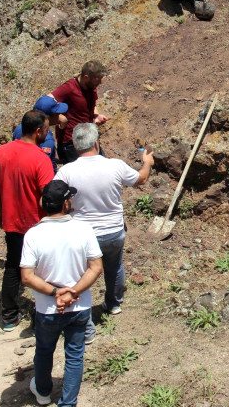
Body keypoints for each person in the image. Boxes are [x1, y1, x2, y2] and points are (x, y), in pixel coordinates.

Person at [54, 123, 154, 344]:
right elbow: (141, 179)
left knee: (81, 277)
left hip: (83, 234)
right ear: (97, 144)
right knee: (114, 266)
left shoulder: (67, 171)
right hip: (113, 231)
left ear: (74, 145)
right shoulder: (115, 166)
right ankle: (113, 303)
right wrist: (146, 163)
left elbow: (55, 197)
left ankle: (85, 323)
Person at [20, 180, 103, 406]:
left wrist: (56, 292)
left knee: (45, 351)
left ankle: (44, 392)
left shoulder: (33, 235)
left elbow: (26, 276)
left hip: (47, 308)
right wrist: (72, 292)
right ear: (66, 203)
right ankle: (68, 403)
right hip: (79, 306)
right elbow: (96, 267)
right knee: (75, 356)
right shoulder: (83, 229)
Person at [0, 110, 54, 331]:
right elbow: (48, 195)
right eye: (46, 129)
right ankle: (44, 314)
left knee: (14, 266)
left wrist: (0, 209)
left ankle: (8, 317)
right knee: (43, 270)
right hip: (37, 224)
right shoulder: (40, 159)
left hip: (12, 222)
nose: (48, 133)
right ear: (38, 131)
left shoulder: (1, 152)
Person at [49, 60, 109, 165]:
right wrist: (59, 117)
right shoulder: (69, 88)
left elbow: (92, 104)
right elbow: (46, 102)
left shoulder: (91, 87)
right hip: (70, 143)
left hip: (88, 138)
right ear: (86, 77)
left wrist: (96, 115)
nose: (100, 83)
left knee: (104, 168)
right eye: (97, 80)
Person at [12, 96, 68, 173]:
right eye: (57, 113)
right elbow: (42, 165)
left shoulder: (20, 128)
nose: (60, 115)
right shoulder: (46, 138)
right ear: (51, 116)